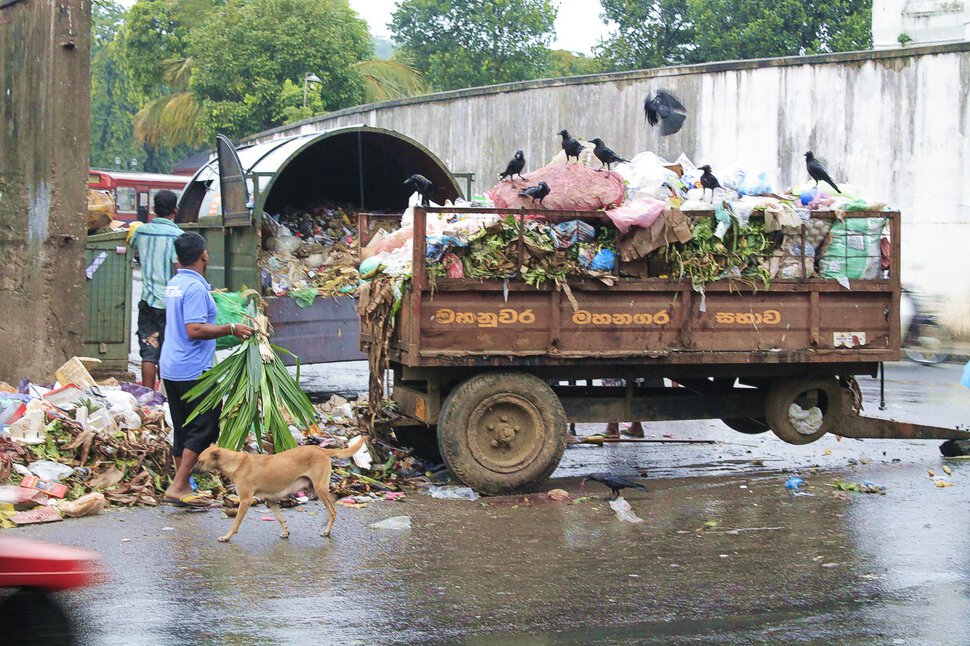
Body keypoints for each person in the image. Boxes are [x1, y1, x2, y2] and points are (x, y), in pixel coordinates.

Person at [160, 232, 254, 507]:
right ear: (204, 255)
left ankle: (185, 487)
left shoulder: (175, 283)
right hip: (193, 369)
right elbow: (195, 329)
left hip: (172, 365)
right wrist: (232, 328)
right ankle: (178, 486)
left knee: (183, 427)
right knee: (205, 427)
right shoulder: (196, 288)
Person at [129, 190, 183, 389]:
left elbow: (131, 244)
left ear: (153, 209)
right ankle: (165, 395)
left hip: (147, 301)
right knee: (167, 351)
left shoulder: (141, 231)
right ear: (175, 210)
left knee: (148, 352)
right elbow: (178, 269)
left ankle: (147, 395)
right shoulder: (178, 236)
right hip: (169, 303)